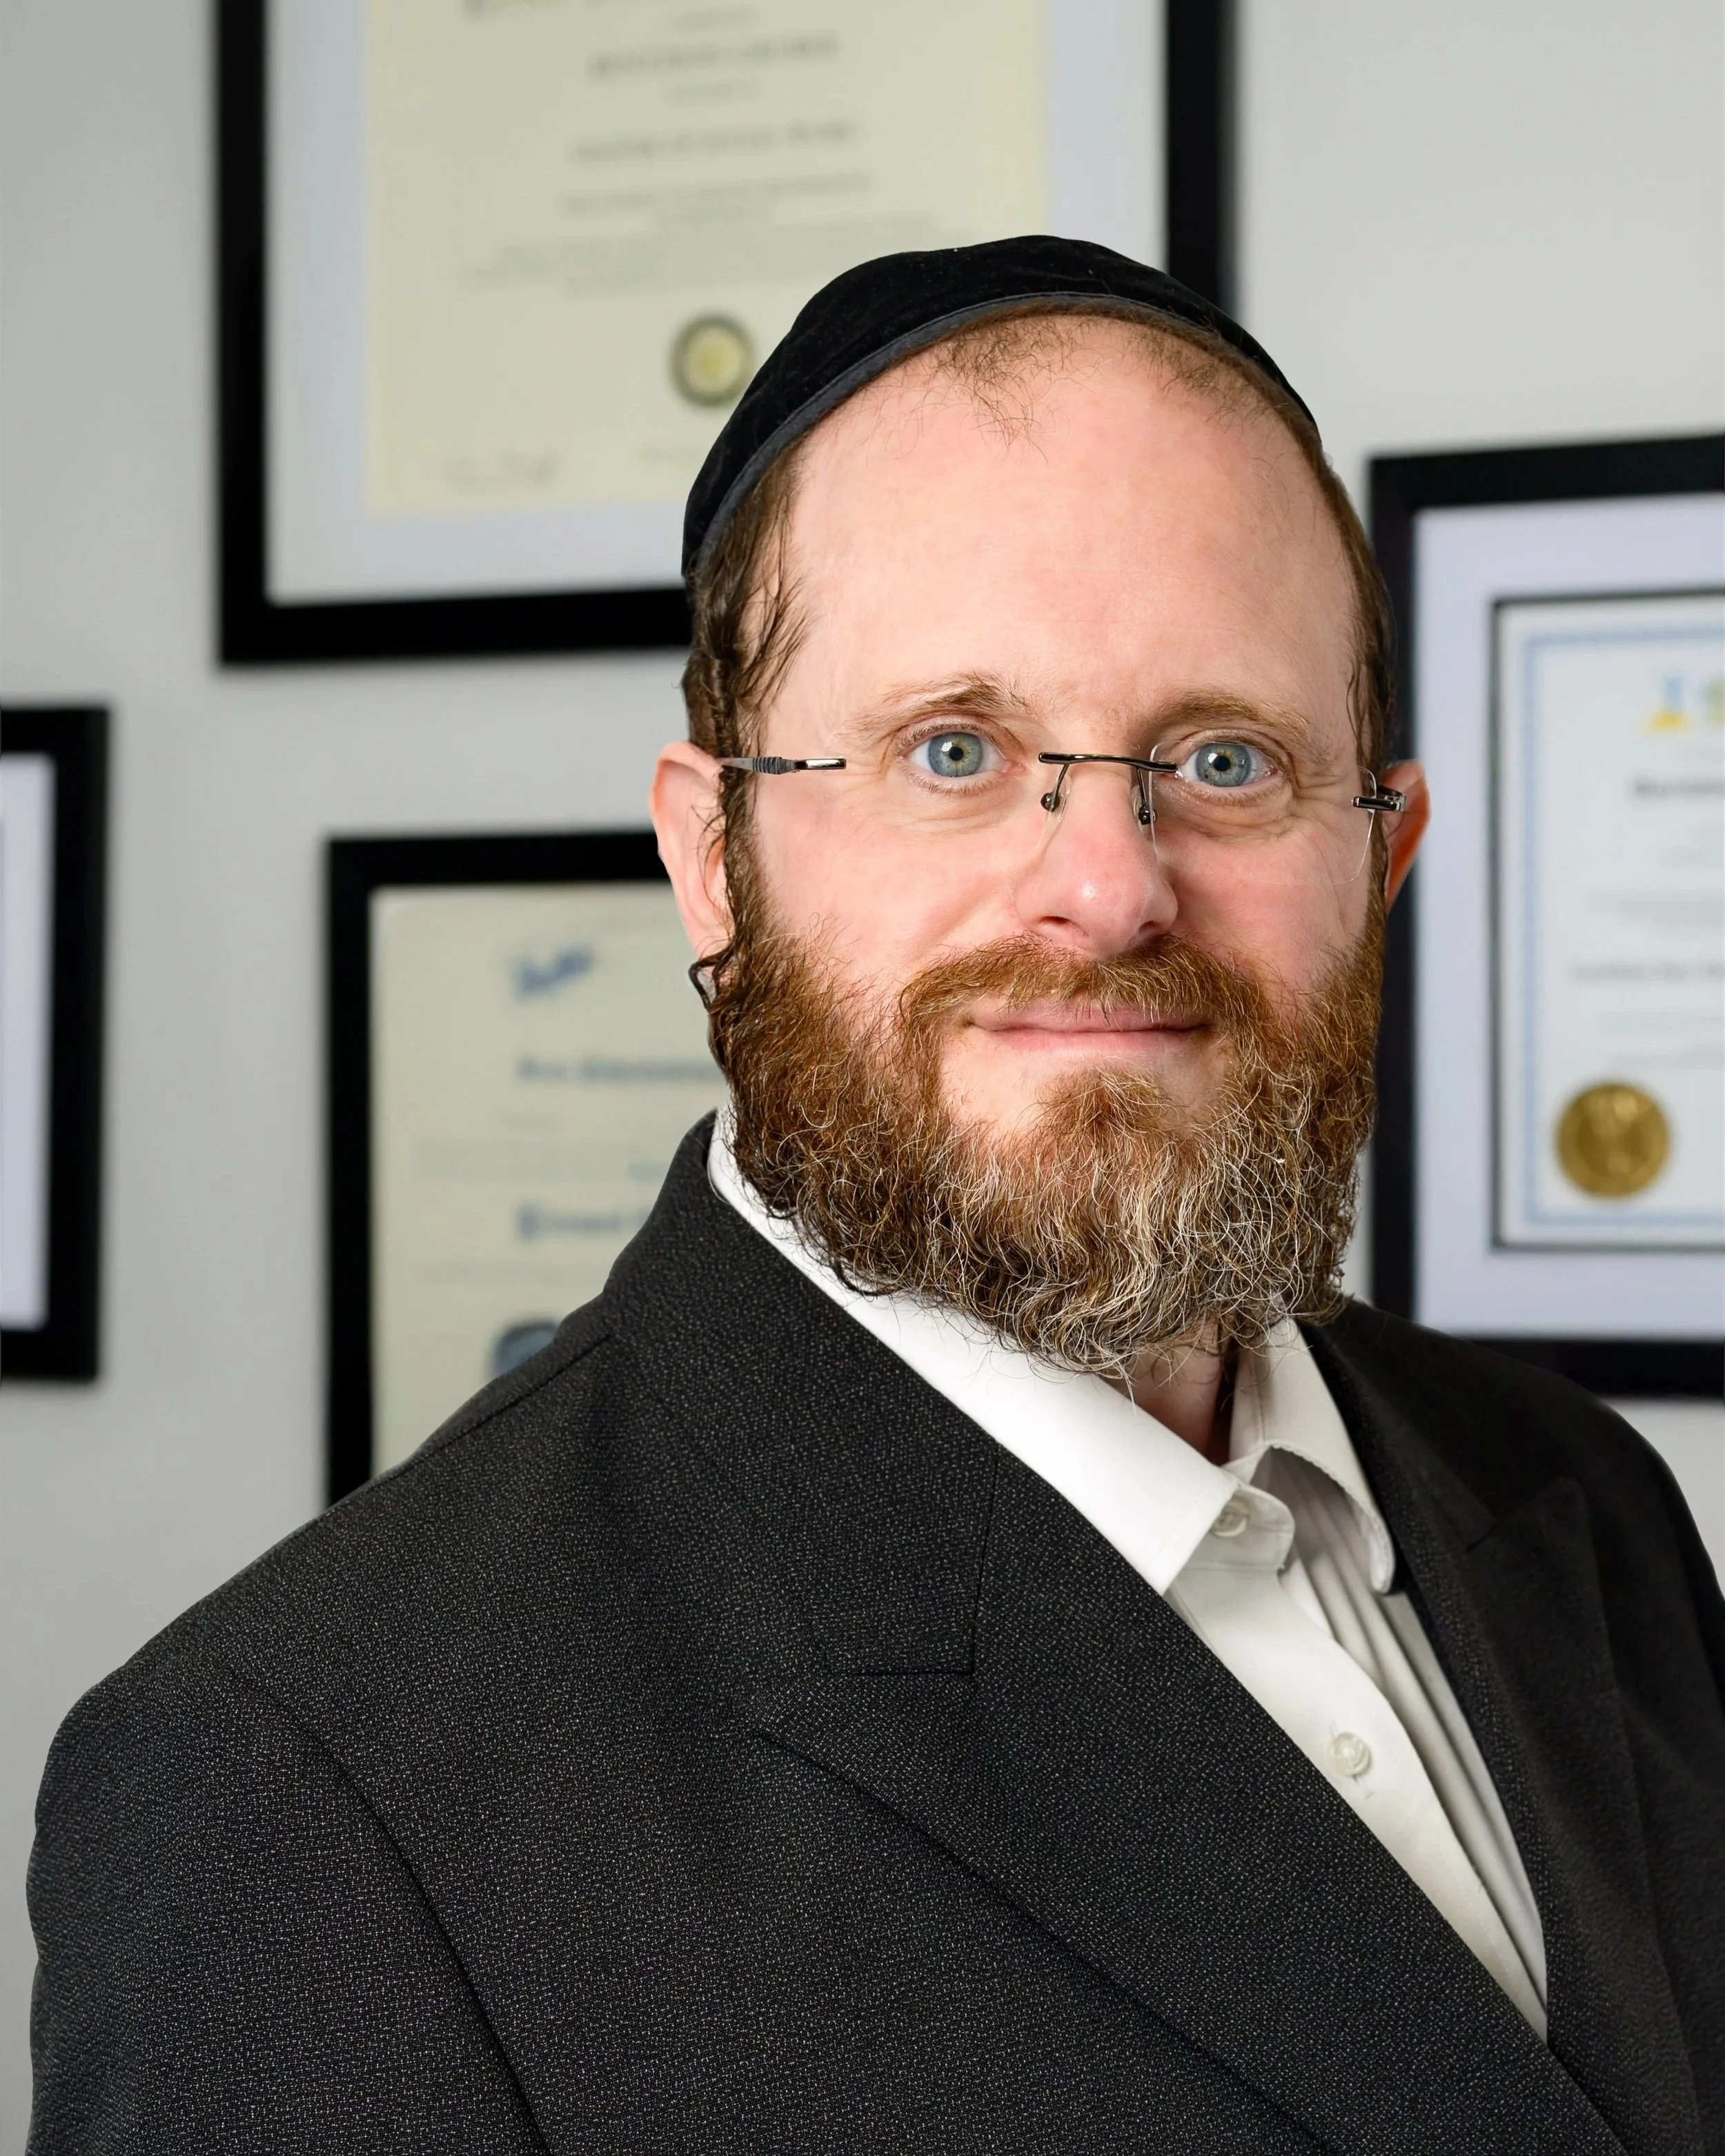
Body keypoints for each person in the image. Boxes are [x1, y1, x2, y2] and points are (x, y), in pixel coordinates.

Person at [27, 240, 1723, 2155]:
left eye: (1224, 759)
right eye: (952, 750)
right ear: (715, 854)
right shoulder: (317, 1789)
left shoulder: (1584, 1503)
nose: (1105, 887)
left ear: (1380, 851)